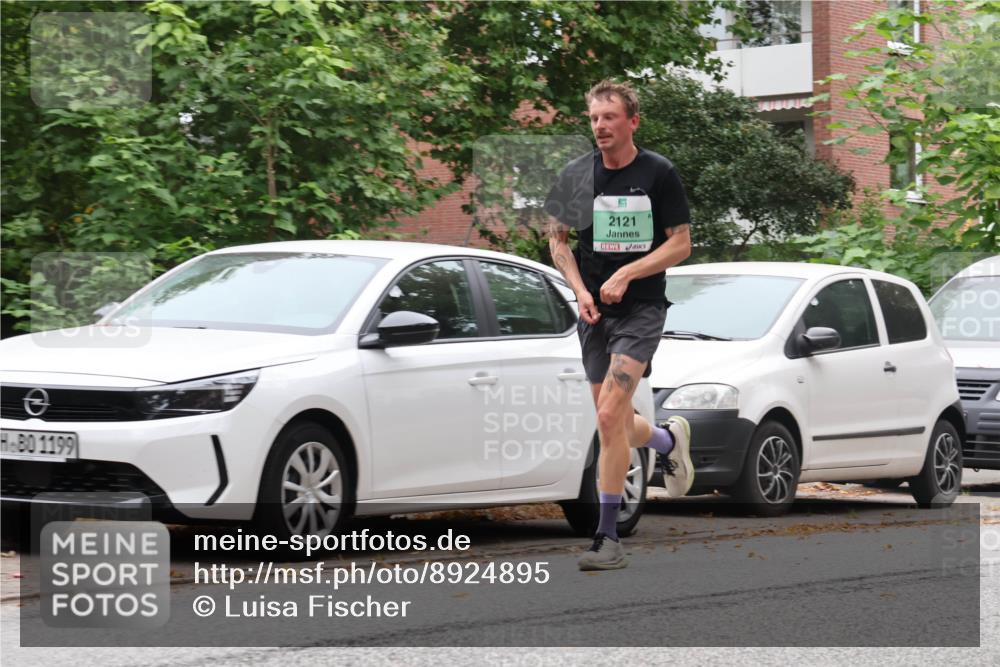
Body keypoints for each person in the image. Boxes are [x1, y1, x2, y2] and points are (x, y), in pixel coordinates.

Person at [544, 79, 695, 571]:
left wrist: (629, 272)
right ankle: (667, 441)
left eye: (609, 118)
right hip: (594, 312)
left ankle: (607, 539)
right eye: (593, 119)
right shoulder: (575, 176)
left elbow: (680, 244)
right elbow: (558, 242)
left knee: (608, 418)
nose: (600, 127)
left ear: (632, 121)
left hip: (642, 309)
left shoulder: (658, 173)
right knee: (616, 420)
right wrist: (581, 291)